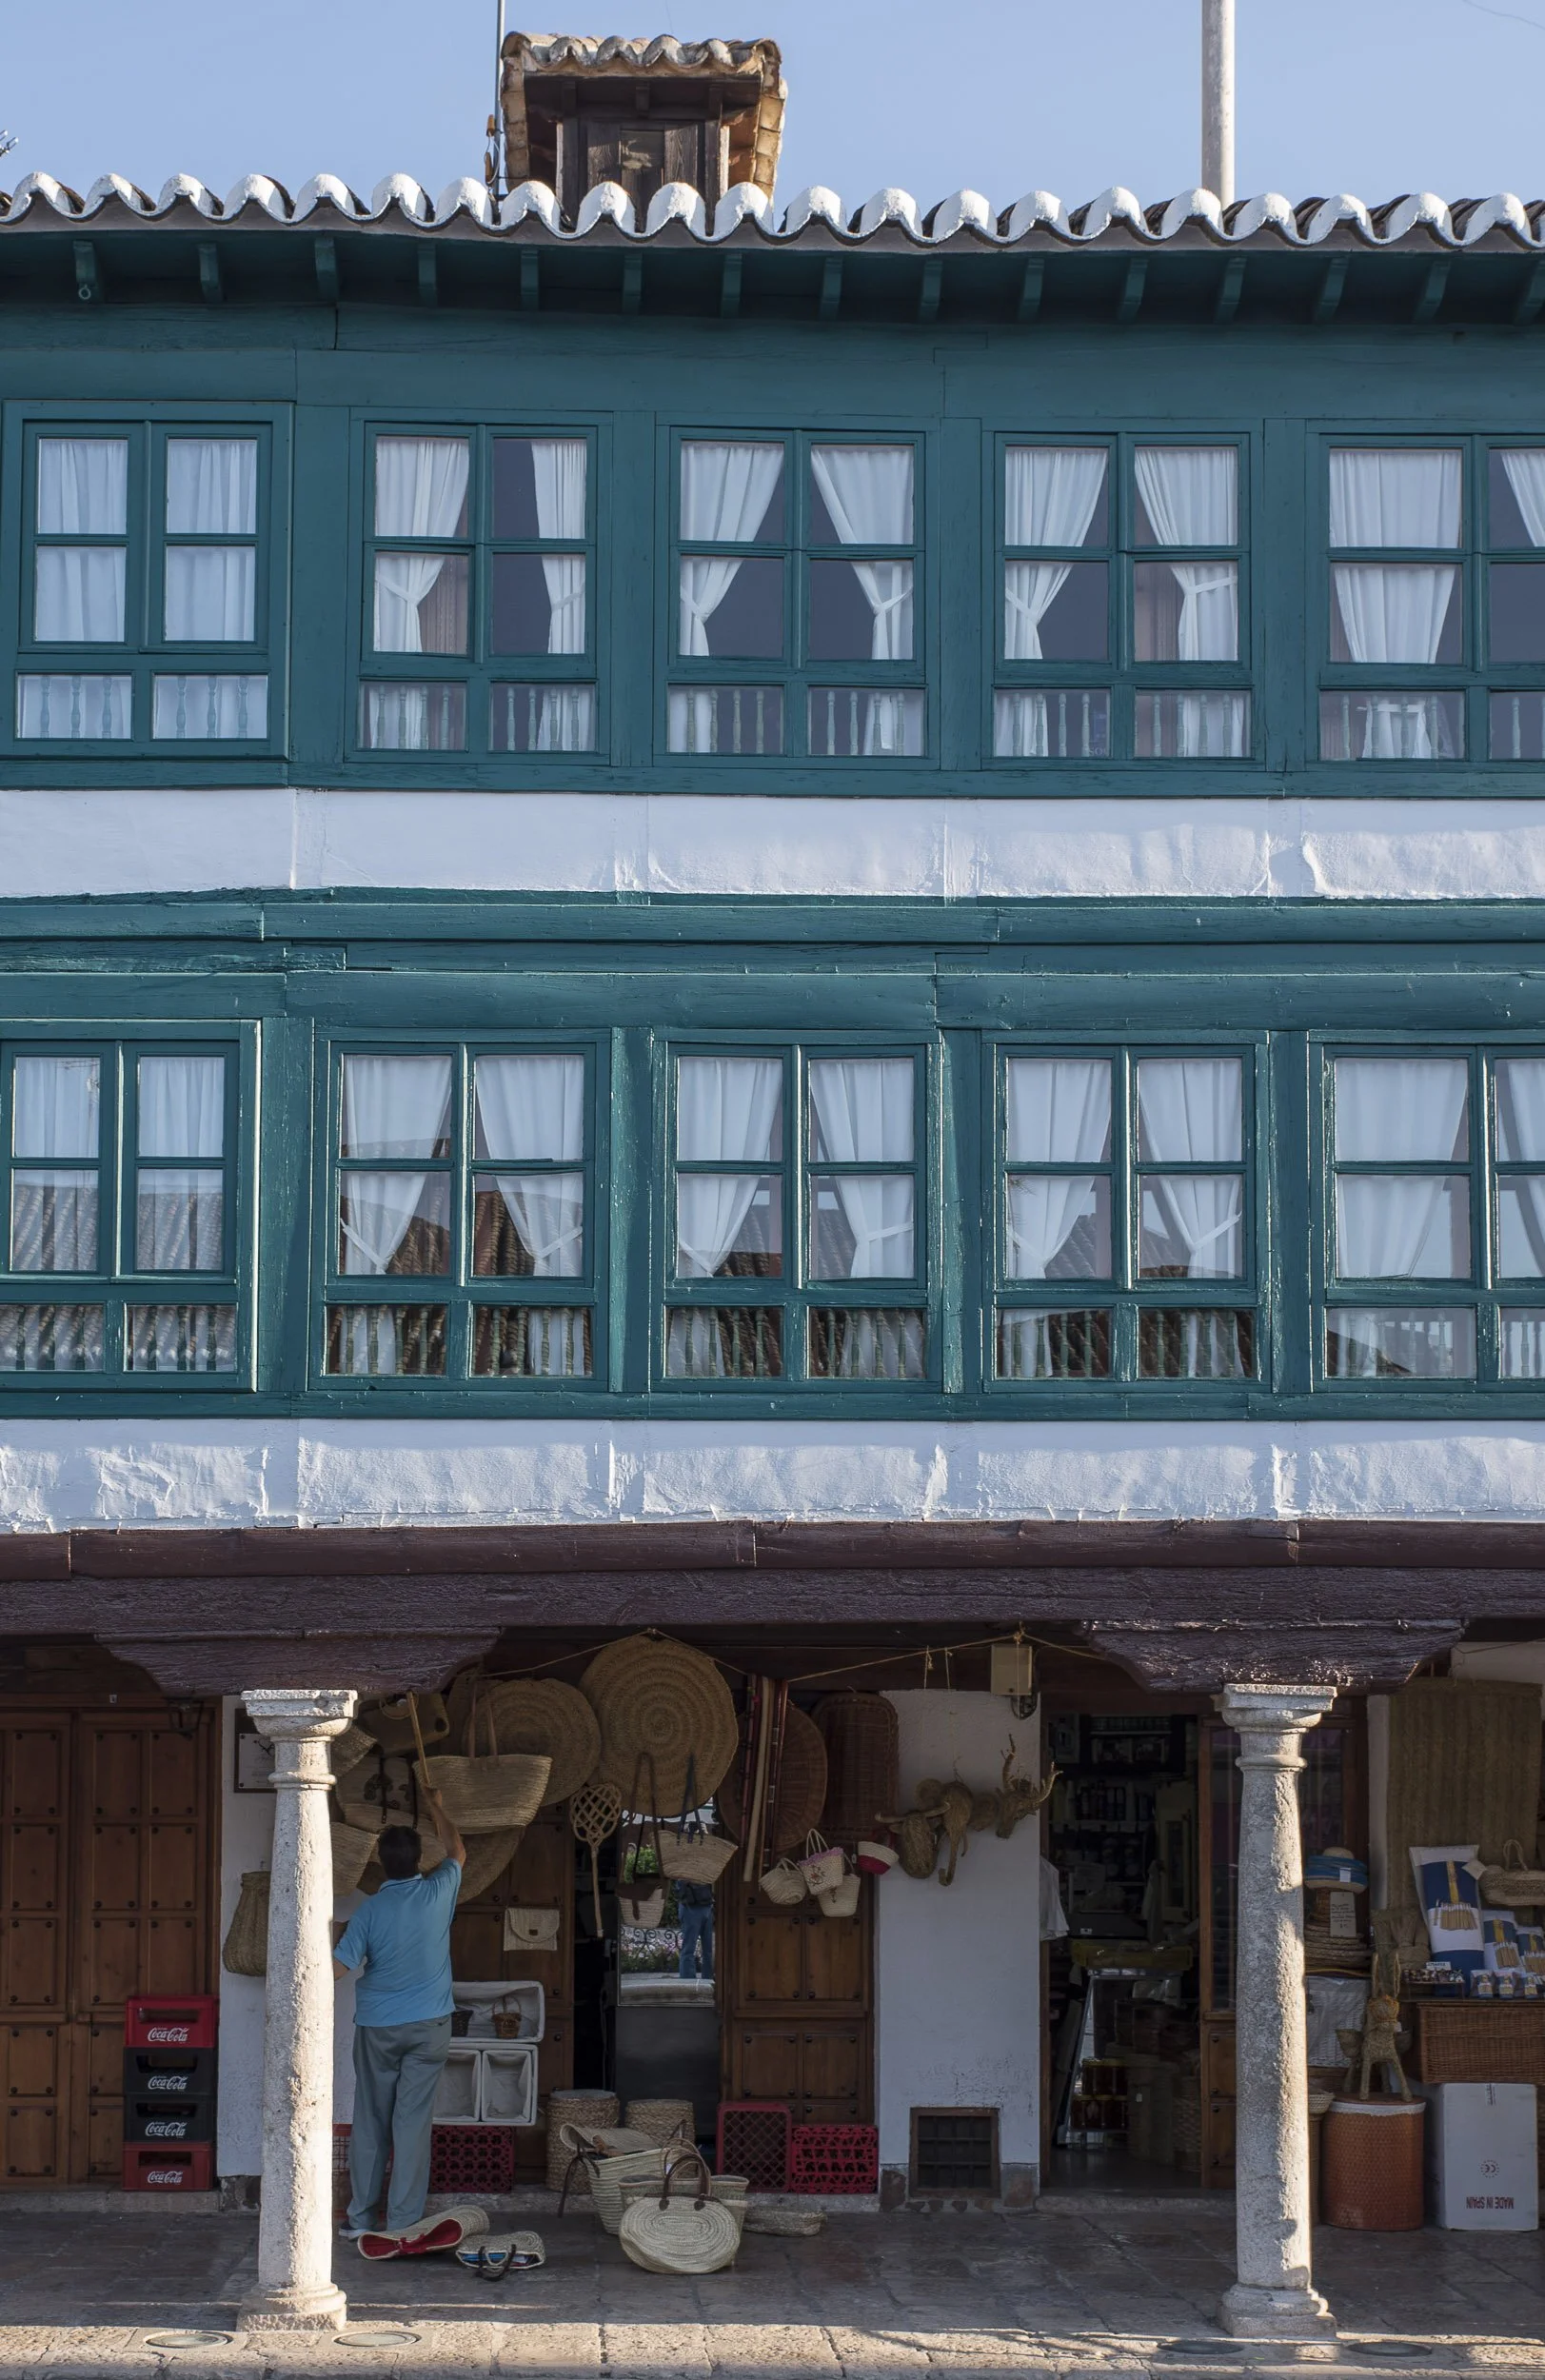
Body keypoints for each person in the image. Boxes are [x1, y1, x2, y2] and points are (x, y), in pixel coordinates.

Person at [332, 1782, 465, 2240]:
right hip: (430, 2028)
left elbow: (334, 1971)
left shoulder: (368, 1913)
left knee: (370, 2120)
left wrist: (320, 1935)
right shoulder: (439, 1892)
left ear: (379, 1864)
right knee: (412, 2125)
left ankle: (362, 2220)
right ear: (418, 1860)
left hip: (377, 2028)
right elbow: (458, 1850)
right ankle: (405, 2223)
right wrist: (436, 1805)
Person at [676, 1878, 714, 1980]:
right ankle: (688, 1983)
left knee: (708, 1950)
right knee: (689, 1948)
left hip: (706, 1905)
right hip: (691, 1906)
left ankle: (708, 1979)